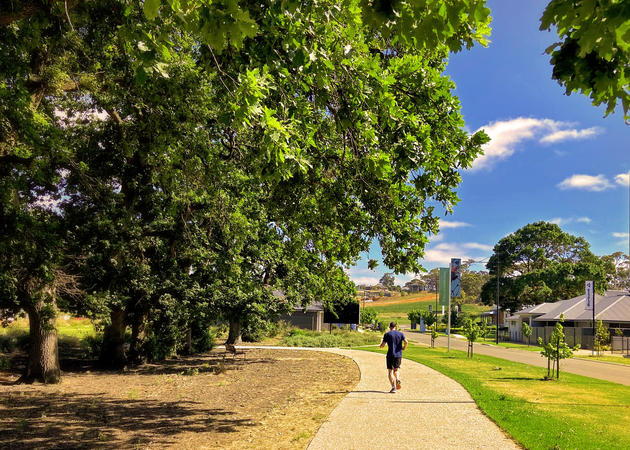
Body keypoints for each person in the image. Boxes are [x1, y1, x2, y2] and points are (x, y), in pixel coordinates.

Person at [380, 321, 408, 393]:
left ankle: (393, 387)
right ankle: (397, 378)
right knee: (396, 370)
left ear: (390, 327)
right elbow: (406, 341)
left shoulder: (387, 334)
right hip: (398, 355)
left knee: (390, 372)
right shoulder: (400, 334)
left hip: (390, 355)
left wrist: (381, 346)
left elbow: (382, 345)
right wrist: (404, 347)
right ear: (396, 327)